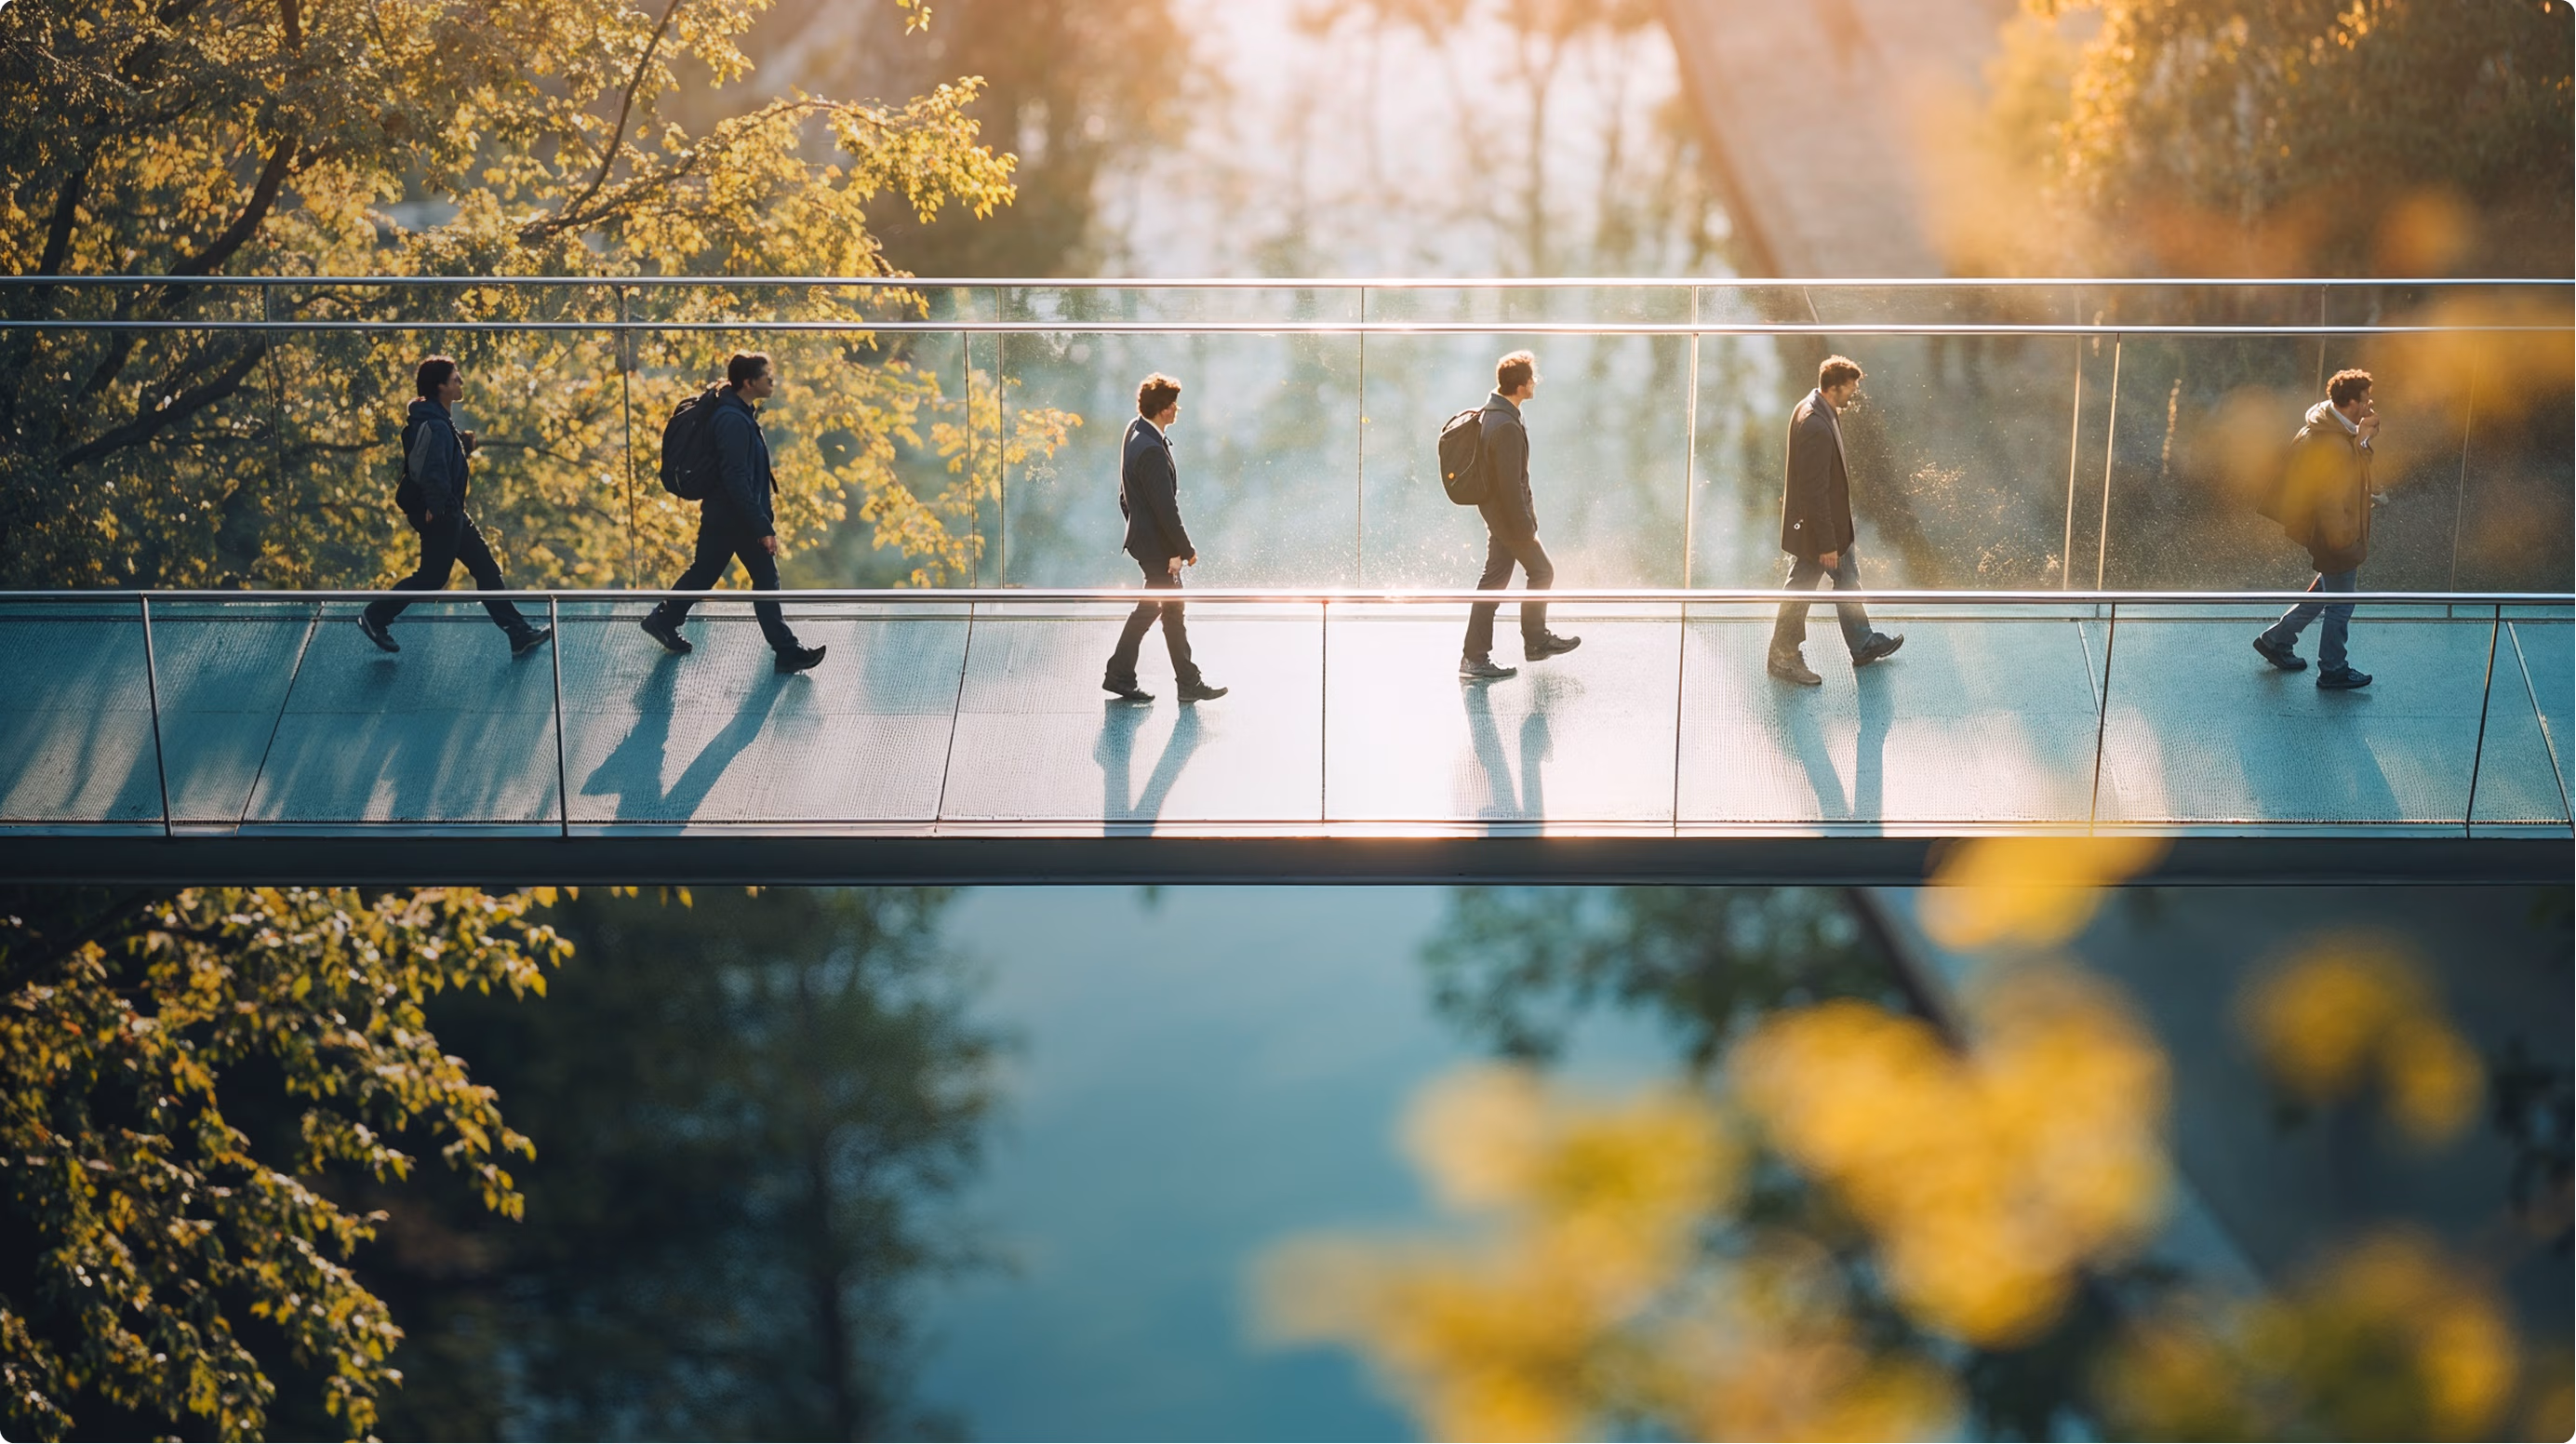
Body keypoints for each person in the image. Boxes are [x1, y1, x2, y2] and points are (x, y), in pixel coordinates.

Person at [638, 352, 826, 675]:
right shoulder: (732, 420)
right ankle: (787, 651)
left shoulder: (737, 413)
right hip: (735, 517)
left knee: (704, 573)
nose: (773, 381)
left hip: (724, 514)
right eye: (768, 376)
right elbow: (736, 477)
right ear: (749, 382)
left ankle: (664, 619)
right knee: (765, 578)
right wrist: (761, 525)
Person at [358, 356, 553, 657]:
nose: (460, 381)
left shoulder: (437, 421)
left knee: (485, 568)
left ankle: (518, 633)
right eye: (455, 378)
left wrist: (462, 446)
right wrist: (436, 507)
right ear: (440, 386)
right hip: (441, 513)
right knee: (432, 577)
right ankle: (375, 616)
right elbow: (431, 469)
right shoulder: (434, 424)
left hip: (450, 511)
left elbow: (436, 461)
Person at [1767, 354, 1902, 686]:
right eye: (1850, 388)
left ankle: (1862, 644)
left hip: (1827, 527)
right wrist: (1827, 543)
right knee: (1800, 587)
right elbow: (1816, 491)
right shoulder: (1815, 423)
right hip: (1819, 532)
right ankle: (1783, 656)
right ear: (1835, 387)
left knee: (1847, 577)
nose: (1853, 395)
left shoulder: (1813, 407)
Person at [2253, 368, 2380, 689]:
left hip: (2326, 532)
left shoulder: (2331, 427)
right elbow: (2331, 498)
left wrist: (2363, 439)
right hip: (2334, 535)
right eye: (2365, 400)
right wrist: (2344, 544)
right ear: (2350, 401)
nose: (2370, 405)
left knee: (2326, 591)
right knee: (2341, 603)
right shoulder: (2333, 444)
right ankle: (2333, 669)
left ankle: (2276, 640)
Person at [1103, 373, 1226, 703]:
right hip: (1156, 546)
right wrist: (1181, 550)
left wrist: (1139, 529)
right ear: (1162, 410)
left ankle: (1184, 681)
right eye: (1173, 405)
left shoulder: (1136, 430)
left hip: (1146, 540)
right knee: (1154, 608)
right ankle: (1121, 674)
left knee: (1169, 608)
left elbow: (1126, 495)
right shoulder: (1151, 450)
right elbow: (1165, 509)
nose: (1177, 410)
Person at [1460, 350, 1580, 681]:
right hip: (1509, 521)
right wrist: (1525, 527)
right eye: (1532, 380)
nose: (1535, 383)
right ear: (1521, 386)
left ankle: (1475, 658)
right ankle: (1536, 642)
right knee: (1542, 572)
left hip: (1499, 518)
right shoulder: (1505, 426)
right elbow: (1510, 484)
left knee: (1492, 586)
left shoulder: (1496, 414)